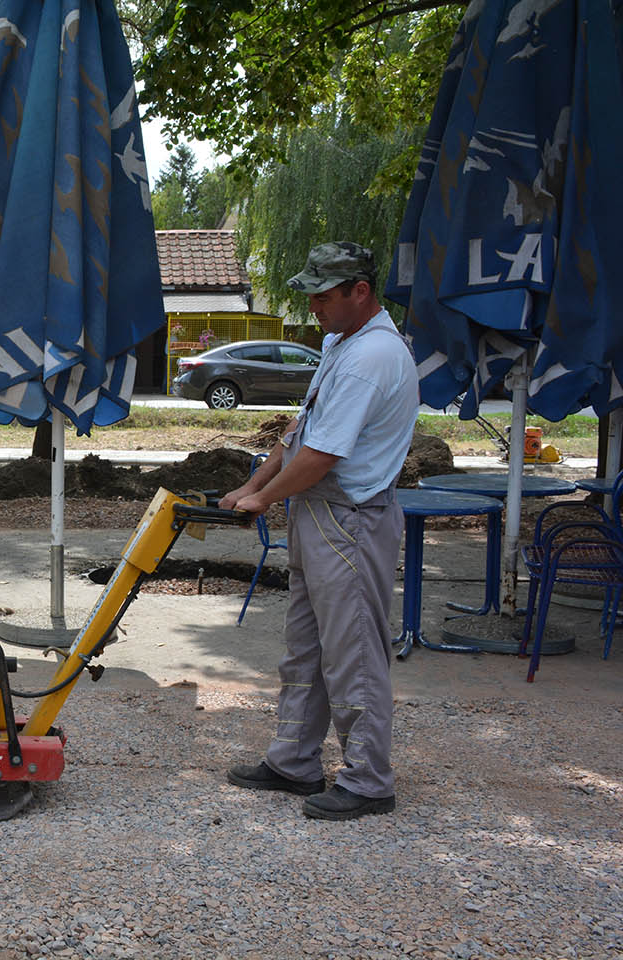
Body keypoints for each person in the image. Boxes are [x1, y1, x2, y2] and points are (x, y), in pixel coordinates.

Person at [219, 241, 419, 821]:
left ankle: (369, 778)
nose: (314, 309)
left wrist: (262, 498)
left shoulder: (372, 356)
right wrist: (250, 485)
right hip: (319, 514)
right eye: (309, 297)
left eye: (323, 297)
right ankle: (294, 761)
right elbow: (300, 434)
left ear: (361, 291)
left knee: (353, 651)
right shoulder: (341, 343)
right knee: (305, 648)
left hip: (351, 518)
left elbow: (324, 455)